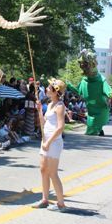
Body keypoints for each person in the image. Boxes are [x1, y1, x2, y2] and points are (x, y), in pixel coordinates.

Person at [32, 79, 68, 212]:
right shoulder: (50, 104)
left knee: (53, 173)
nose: (46, 89)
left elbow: (60, 128)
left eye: (48, 87)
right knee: (43, 170)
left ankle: (61, 204)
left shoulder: (59, 106)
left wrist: (48, 142)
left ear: (55, 91)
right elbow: (43, 123)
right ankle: (44, 199)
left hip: (53, 142)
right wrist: (40, 110)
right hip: (45, 140)